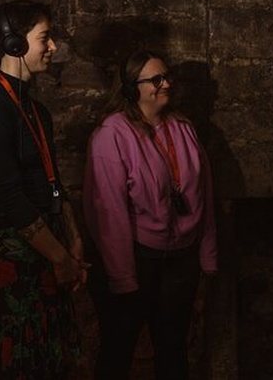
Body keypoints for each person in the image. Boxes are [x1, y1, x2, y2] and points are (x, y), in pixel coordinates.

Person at [0, 0, 87, 379]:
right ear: (13, 44)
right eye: (44, 38)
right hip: (13, 263)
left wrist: (74, 238)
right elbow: (11, 199)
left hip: (45, 252)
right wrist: (62, 258)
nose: (52, 48)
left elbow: (52, 183)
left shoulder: (35, 110)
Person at [82, 49, 218, 380]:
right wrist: (123, 275)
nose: (166, 84)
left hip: (182, 256)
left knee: (173, 348)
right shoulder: (111, 134)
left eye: (167, 76)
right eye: (156, 79)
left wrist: (208, 254)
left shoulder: (183, 128)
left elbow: (205, 193)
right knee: (119, 347)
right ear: (132, 87)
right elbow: (107, 211)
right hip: (140, 257)